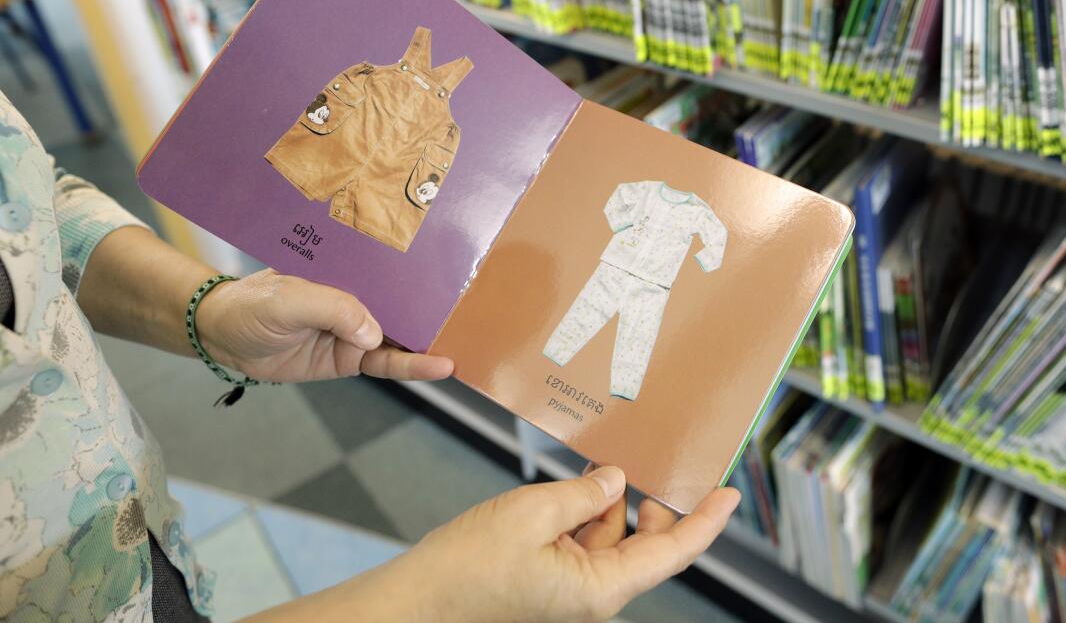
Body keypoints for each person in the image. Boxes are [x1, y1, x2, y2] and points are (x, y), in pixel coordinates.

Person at [0, 92, 740, 623]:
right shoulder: (654, 199)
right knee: (587, 325)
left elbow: (30, 206)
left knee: (627, 347)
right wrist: (431, 602)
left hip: (144, 546)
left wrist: (210, 312)